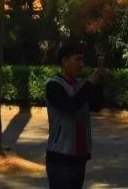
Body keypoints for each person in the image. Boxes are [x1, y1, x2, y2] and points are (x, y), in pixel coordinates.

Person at [45, 41, 104, 189]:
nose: (81, 64)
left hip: (79, 155)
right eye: (77, 59)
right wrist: (89, 85)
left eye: (82, 60)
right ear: (64, 61)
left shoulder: (80, 84)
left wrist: (97, 84)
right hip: (60, 156)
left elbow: (96, 106)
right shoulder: (54, 85)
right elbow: (70, 106)